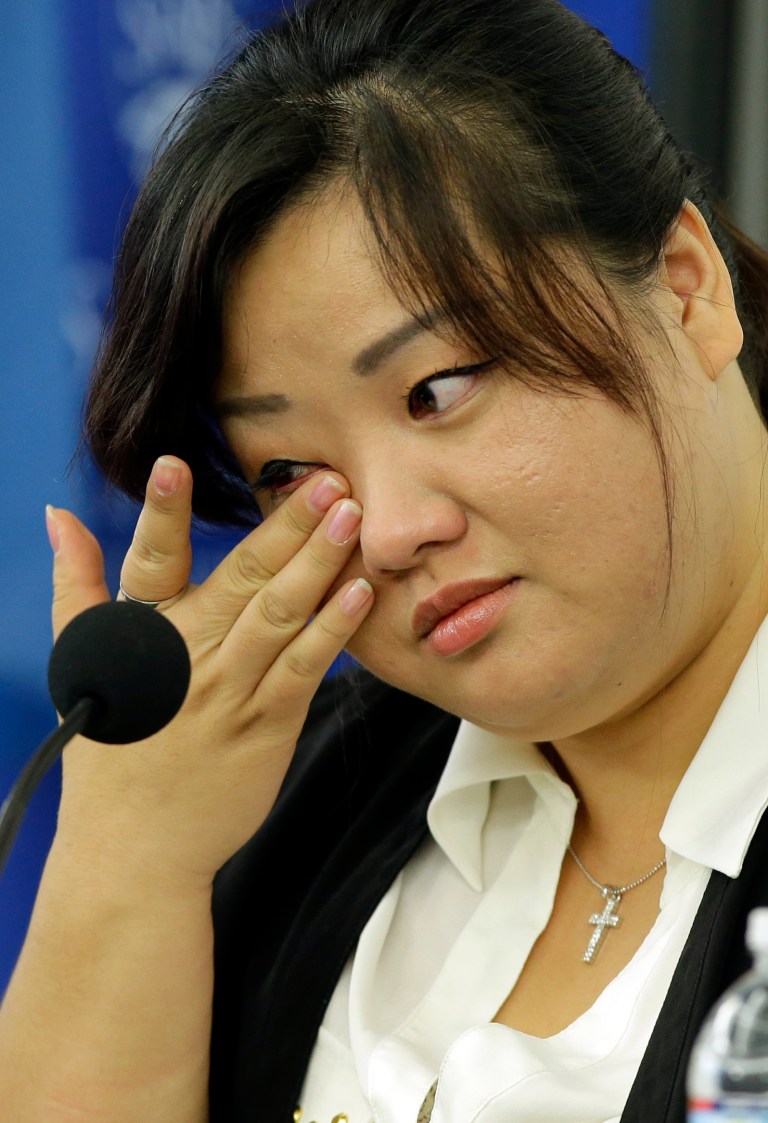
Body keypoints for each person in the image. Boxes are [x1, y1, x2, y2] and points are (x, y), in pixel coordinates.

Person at [2, 0, 768, 1119]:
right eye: (291, 473)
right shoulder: (303, 804)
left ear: (685, 286)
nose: (395, 526)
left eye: (437, 391)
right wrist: (131, 863)